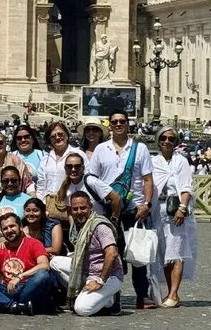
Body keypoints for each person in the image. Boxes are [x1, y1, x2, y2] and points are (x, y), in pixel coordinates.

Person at [86, 110, 155, 309]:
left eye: (122, 121)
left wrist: (147, 204)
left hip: (135, 208)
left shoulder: (140, 149)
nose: (118, 124)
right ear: (110, 125)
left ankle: (142, 294)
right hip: (108, 209)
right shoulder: (101, 149)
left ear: (128, 124)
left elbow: (147, 179)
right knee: (110, 252)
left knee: (138, 254)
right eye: (114, 121)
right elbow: (92, 178)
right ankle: (112, 295)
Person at [49, 191, 123, 316]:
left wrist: (100, 281)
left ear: (91, 207)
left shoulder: (100, 226)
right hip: (88, 271)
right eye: (75, 209)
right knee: (55, 262)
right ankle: (92, 295)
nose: (79, 212)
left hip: (108, 276)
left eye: (83, 208)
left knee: (82, 309)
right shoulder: (81, 225)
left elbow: (112, 253)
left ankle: (111, 301)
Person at [151, 127, 199, 308]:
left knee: (176, 251)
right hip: (158, 211)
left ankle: (173, 293)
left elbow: (186, 187)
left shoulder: (181, 161)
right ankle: (170, 292)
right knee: (165, 253)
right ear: (158, 140)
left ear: (176, 142)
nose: (167, 141)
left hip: (175, 211)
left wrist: (182, 208)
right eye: (163, 138)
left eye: (171, 139)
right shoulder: (153, 161)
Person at [0, 213, 54, 315]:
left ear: (21, 227)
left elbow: (44, 265)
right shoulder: (0, 249)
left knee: (43, 275)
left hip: (28, 287)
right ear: (2, 232)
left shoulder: (33, 243)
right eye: (5, 228)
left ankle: (3, 304)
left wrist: (20, 277)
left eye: (12, 226)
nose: (9, 230)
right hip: (8, 290)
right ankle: (14, 306)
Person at [56, 152, 121, 221]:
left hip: (99, 223)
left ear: (83, 168)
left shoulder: (91, 181)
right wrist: (72, 225)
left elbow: (116, 198)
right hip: (81, 226)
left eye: (77, 166)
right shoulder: (66, 188)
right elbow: (69, 211)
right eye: (69, 167)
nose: (73, 169)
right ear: (65, 168)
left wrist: (114, 220)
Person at [36, 121, 85, 203]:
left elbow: (85, 179)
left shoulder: (79, 154)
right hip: (48, 204)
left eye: (60, 134)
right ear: (50, 140)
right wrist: (41, 203)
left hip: (71, 203)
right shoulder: (45, 159)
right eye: (53, 136)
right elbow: (41, 184)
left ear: (67, 135)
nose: (57, 137)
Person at [0, 133, 32, 199]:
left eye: (0, 143)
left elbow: (27, 184)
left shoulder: (16, 161)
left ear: (5, 144)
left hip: (15, 200)